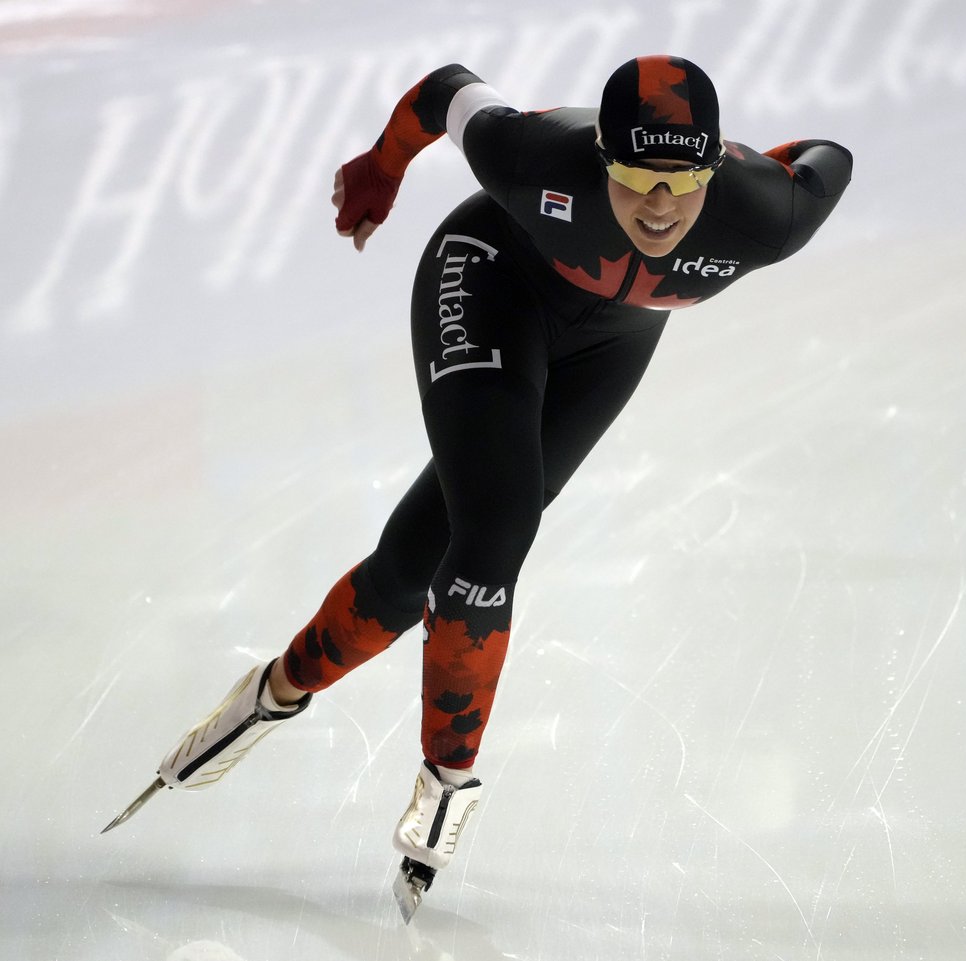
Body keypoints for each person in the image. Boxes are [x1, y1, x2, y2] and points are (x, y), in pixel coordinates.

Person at [108, 54, 852, 916]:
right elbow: (443, 89)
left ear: (715, 165)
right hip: (491, 275)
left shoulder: (768, 214)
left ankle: (271, 693)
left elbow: (825, 153)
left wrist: (754, 159)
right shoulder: (533, 157)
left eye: (682, 178)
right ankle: (448, 783)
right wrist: (383, 167)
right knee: (495, 532)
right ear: (602, 158)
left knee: (414, 564)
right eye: (638, 176)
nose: (659, 204)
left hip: (615, 341)